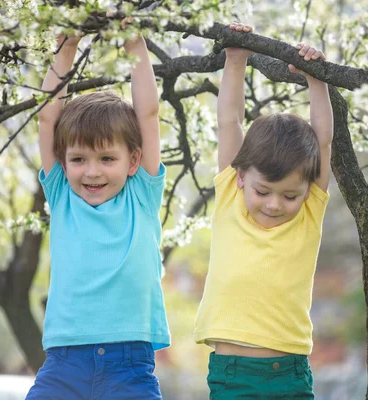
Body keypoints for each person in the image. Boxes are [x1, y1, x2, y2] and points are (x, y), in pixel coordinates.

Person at [194, 23, 334, 399]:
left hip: (288, 374)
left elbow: (323, 140)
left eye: (289, 195)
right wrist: (236, 58)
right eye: (263, 191)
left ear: (306, 190)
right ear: (240, 177)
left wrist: (316, 80)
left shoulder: (308, 214)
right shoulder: (229, 198)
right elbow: (230, 121)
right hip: (232, 374)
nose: (274, 204)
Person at [26, 30, 168, 399]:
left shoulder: (141, 192)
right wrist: (66, 49)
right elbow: (46, 121)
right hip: (64, 363)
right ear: (63, 161)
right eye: (78, 160)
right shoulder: (61, 195)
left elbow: (149, 116)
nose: (92, 172)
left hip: (130, 365)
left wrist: (137, 47)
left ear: (133, 160)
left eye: (107, 159)